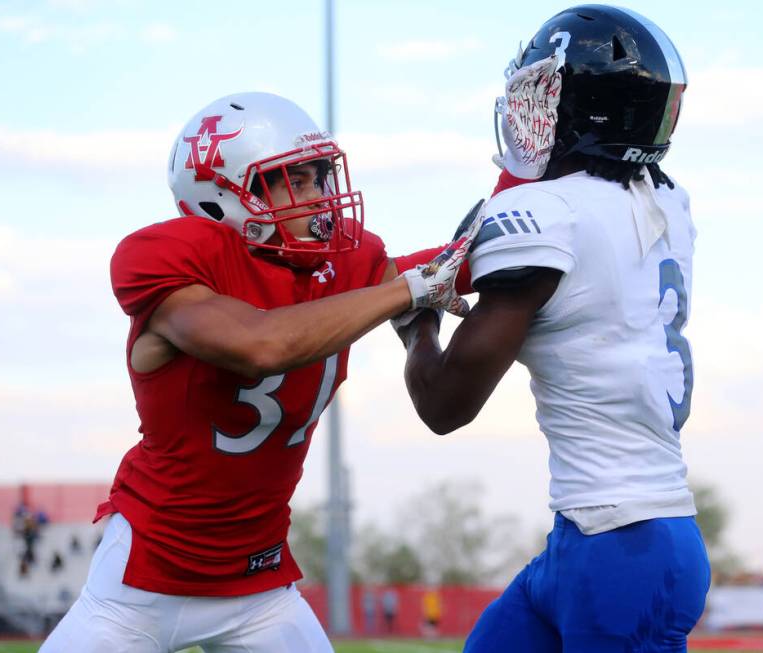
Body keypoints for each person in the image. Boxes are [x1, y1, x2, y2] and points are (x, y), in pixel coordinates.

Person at [40, 91, 480, 653]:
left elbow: (459, 263)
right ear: (227, 194)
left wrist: (535, 211)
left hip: (258, 585)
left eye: (322, 175)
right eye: (300, 179)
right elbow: (260, 345)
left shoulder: (342, 265)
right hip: (143, 582)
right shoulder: (169, 258)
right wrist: (409, 290)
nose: (324, 197)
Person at [395, 6, 710, 652]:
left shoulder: (546, 215)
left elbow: (444, 404)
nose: (528, 114)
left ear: (583, 109)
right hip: (596, 534)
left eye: (543, 94)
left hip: (622, 548)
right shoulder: (666, 204)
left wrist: (417, 321)